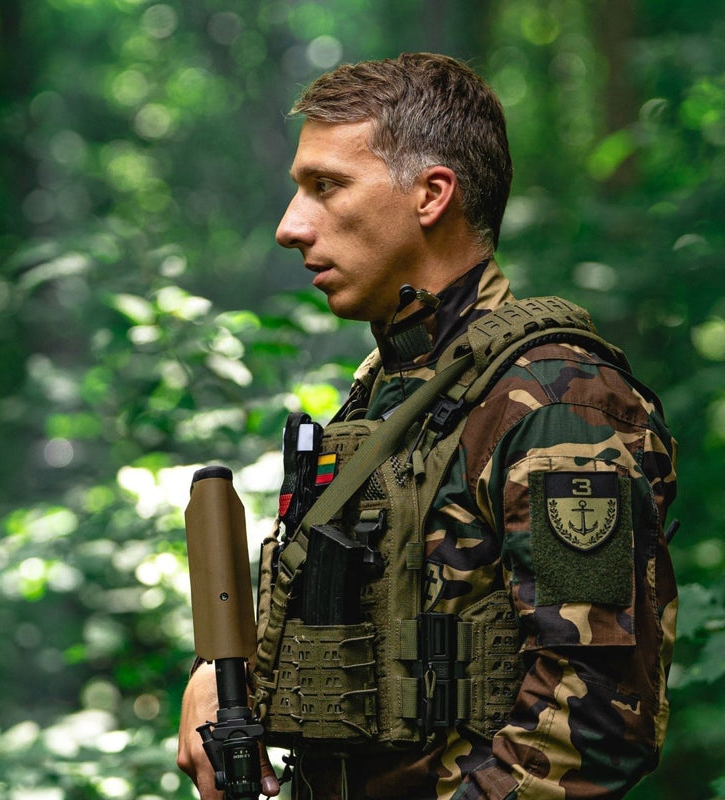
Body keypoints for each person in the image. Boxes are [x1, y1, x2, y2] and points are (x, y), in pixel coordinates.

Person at [177, 53, 678, 800]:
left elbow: (596, 723)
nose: (290, 227)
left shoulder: (558, 403)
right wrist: (221, 674)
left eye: (326, 186)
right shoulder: (391, 394)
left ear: (431, 195)